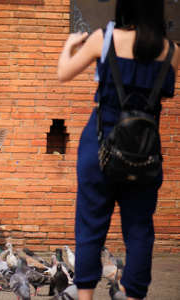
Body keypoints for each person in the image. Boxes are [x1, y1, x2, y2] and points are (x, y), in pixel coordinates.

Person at [57, 1, 178, 299]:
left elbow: (63, 73)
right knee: (139, 230)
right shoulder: (172, 52)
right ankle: (132, 295)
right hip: (144, 152)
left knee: (90, 226)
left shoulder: (104, 38)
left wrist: (70, 45)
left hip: (98, 145)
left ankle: (85, 295)